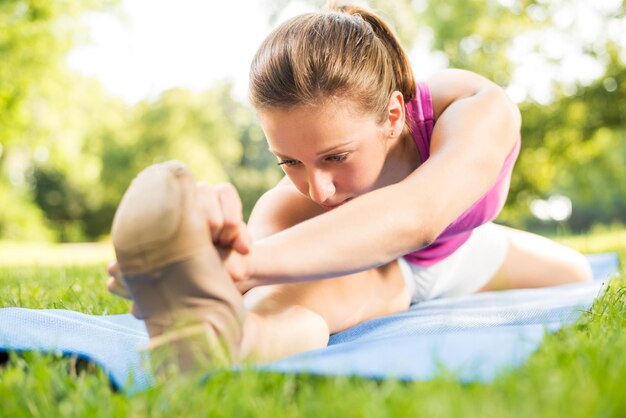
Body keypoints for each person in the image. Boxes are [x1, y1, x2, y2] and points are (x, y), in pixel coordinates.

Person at [107, 3, 592, 370]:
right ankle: (223, 345)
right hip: (368, 265)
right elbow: (259, 265)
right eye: (289, 162)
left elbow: (419, 216)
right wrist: (193, 267)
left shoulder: (477, 109)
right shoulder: (296, 208)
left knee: (576, 274)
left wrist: (246, 265)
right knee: (280, 311)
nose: (317, 190)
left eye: (335, 157)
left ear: (393, 116)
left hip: (462, 252)